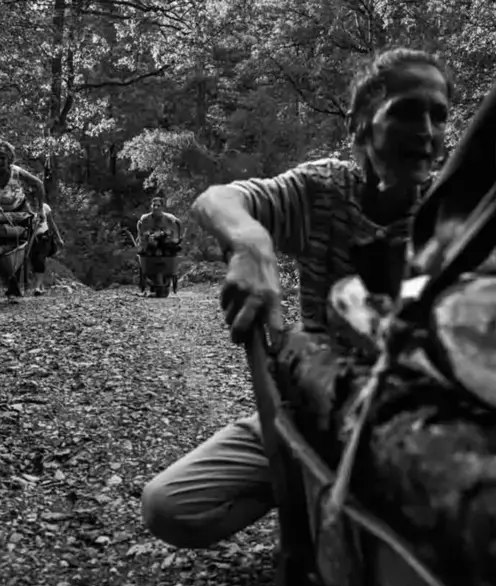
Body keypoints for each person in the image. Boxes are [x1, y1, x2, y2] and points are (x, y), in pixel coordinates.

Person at [140, 48, 452, 549]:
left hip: (418, 428)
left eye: (439, 116)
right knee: (169, 507)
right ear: (360, 124)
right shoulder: (323, 190)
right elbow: (216, 200)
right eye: (407, 112)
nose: (427, 132)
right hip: (313, 410)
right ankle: (311, 516)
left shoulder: (455, 211)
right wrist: (252, 243)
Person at [0, 140, 65, 297]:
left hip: (19, 212)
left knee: (18, 244)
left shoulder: (17, 173)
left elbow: (38, 185)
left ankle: (15, 284)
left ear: (9, 159)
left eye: (2, 158)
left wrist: (39, 209)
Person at [135, 197, 183, 295]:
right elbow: (141, 231)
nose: (156, 208)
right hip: (150, 244)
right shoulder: (145, 219)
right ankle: (150, 282)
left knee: (171, 250)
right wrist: (144, 239)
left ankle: (165, 280)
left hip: (165, 243)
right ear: (151, 207)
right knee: (147, 252)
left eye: (158, 205)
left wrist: (175, 238)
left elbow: (178, 225)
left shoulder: (169, 218)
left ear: (162, 207)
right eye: (154, 205)